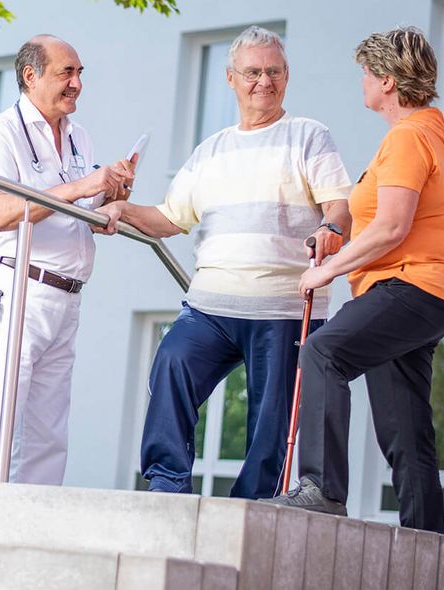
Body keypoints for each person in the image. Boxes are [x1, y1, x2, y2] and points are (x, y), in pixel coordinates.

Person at [96, 26, 352, 499]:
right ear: (231, 78)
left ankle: (251, 506)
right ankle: (167, 481)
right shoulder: (210, 150)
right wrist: (120, 210)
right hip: (211, 305)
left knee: (271, 419)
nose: (264, 81)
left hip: (283, 307)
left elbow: (339, 205)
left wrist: (331, 229)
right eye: (252, 72)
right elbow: (170, 218)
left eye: (273, 72)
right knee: (172, 362)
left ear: (287, 76)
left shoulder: (308, 137)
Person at [261, 26, 444, 535]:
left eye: (367, 74)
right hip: (425, 293)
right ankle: (427, 540)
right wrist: (334, 234)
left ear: (389, 82)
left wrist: (327, 269)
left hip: (408, 286)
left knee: (323, 352)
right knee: (404, 425)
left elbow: (392, 227)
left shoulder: (408, 137)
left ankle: (322, 490)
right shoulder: (422, 134)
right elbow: (373, 216)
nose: (363, 83)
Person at [0, 34, 133, 484]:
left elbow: (77, 215)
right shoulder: (0, 132)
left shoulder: (77, 137)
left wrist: (107, 206)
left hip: (66, 296)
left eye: (79, 73)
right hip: (14, 289)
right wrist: (80, 188)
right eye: (65, 73)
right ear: (30, 76)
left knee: (47, 432)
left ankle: (33, 530)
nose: (76, 83)